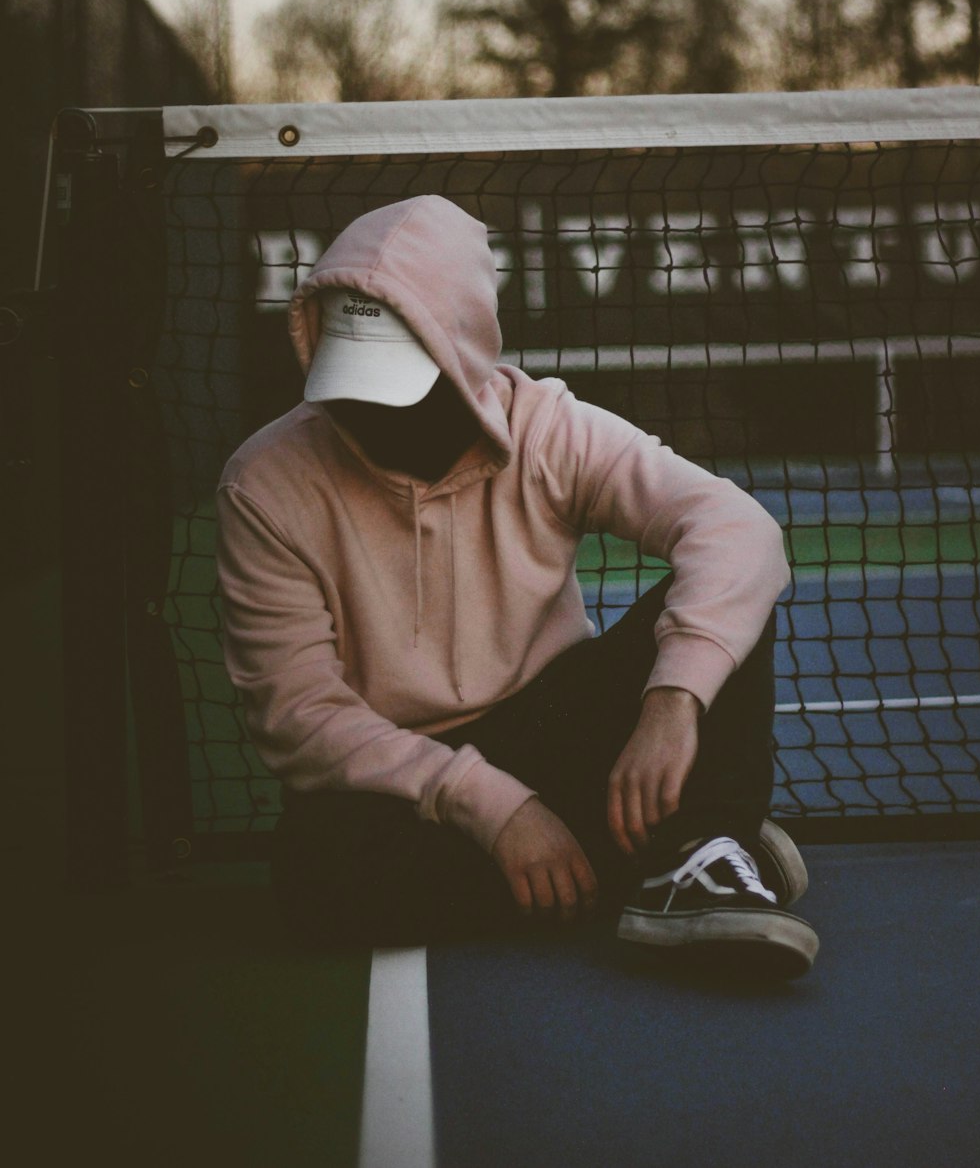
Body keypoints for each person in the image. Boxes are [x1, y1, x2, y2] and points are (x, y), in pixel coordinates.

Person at [216, 195, 819, 976]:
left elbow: (738, 531)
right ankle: (683, 849)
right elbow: (300, 715)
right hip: (405, 773)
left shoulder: (547, 428)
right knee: (316, 882)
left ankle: (695, 845)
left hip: (558, 723)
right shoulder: (263, 485)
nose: (367, 415)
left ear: (462, 360)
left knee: (722, 604)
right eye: (351, 387)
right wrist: (493, 808)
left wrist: (672, 702)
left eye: (394, 387)